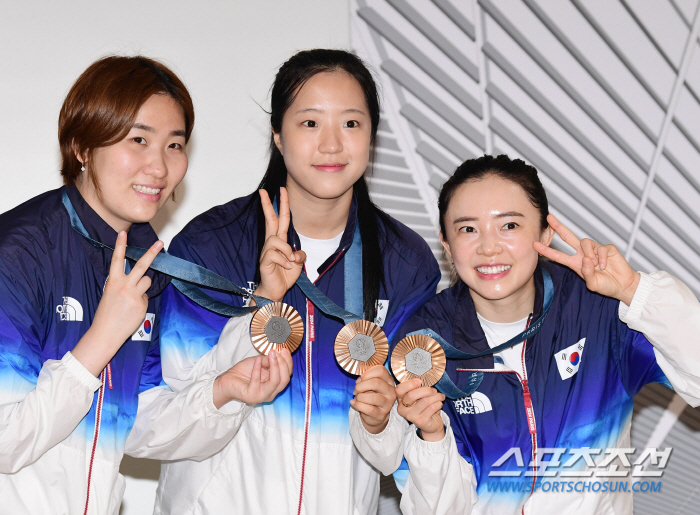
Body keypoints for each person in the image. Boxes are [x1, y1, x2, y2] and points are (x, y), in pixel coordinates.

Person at [0, 55, 292, 515]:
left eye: (175, 146)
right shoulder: (17, 251)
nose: (159, 167)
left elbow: (138, 423)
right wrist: (100, 339)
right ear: (81, 145)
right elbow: (5, 443)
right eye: (139, 140)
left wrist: (224, 392)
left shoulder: (146, 255)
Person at [154, 48, 440, 514]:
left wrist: (381, 418)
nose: (331, 145)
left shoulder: (405, 262)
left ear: (372, 137)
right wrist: (261, 307)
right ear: (279, 136)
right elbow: (165, 418)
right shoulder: (211, 245)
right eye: (310, 123)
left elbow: (401, 453)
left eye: (351, 124)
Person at [350, 154, 700, 514]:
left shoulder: (599, 312)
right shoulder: (423, 341)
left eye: (510, 226)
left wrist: (633, 290)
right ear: (447, 244)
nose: (489, 247)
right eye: (468, 229)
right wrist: (431, 435)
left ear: (544, 233)